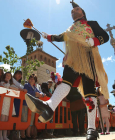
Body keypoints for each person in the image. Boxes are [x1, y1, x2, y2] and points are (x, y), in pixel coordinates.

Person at [25, 1, 109, 140]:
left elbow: (105, 36)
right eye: (72, 11)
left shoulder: (92, 24)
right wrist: (49, 36)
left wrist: (94, 41)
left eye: (76, 9)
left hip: (88, 58)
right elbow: (60, 37)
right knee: (65, 83)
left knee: (89, 91)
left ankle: (91, 129)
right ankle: (48, 107)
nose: (73, 11)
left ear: (82, 12)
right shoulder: (70, 29)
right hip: (72, 59)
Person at [21, 74, 45, 139]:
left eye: (33, 79)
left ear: (35, 80)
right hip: (25, 104)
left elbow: (42, 93)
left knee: (30, 120)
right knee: (24, 119)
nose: (31, 79)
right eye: (30, 78)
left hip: (32, 106)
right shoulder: (26, 85)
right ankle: (22, 135)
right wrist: (34, 93)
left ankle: (28, 135)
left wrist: (41, 94)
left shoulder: (35, 88)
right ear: (28, 79)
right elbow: (25, 92)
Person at [0, 72, 18, 140]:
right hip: (3, 102)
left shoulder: (11, 84)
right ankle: (0, 136)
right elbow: (6, 87)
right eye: (7, 75)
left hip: (9, 103)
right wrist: (10, 86)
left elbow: (17, 89)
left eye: (9, 76)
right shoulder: (2, 82)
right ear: (5, 76)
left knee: (7, 119)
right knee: (2, 119)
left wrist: (10, 86)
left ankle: (5, 136)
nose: (8, 77)